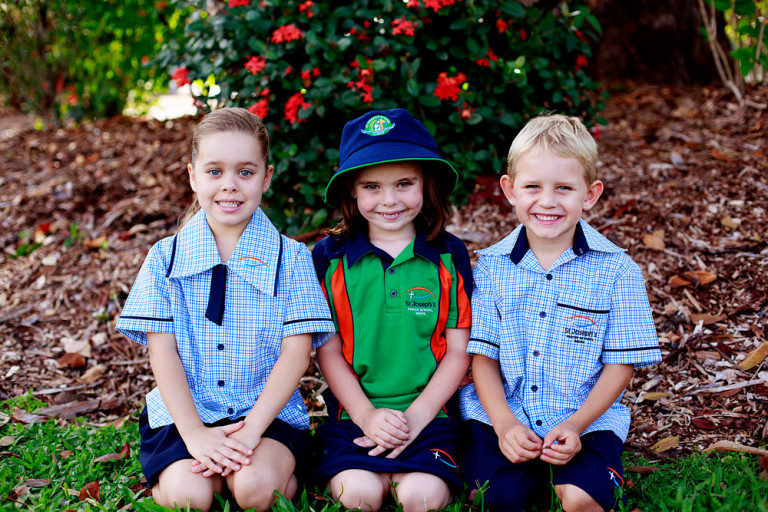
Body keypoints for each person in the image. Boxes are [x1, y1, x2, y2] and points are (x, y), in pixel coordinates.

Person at [116, 107, 334, 512]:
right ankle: (204, 471)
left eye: (245, 172)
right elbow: (162, 351)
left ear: (266, 177)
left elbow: (296, 353)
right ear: (192, 175)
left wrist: (251, 432)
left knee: (253, 489)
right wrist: (196, 435)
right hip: (187, 414)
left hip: (266, 416)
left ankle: (251, 471)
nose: (229, 186)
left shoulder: (292, 258)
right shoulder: (165, 257)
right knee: (189, 496)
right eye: (214, 171)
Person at [459, 113, 662, 512]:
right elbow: (482, 357)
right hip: (507, 411)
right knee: (496, 500)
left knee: (582, 500)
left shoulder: (618, 270)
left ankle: (579, 474)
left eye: (564, 188)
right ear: (510, 189)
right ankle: (517, 472)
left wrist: (576, 425)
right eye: (532, 186)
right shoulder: (493, 266)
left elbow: (620, 365)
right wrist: (503, 424)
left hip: (582, 417)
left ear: (590, 194)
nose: (547, 201)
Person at [312, 108, 472, 512]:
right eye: (372, 186)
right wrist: (367, 416)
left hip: (431, 416)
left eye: (404, 183)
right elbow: (327, 350)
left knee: (422, 496)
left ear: (426, 183)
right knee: (358, 495)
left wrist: (416, 417)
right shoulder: (329, 259)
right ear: (351, 188)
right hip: (355, 417)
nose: (389, 200)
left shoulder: (448, 256)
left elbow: (458, 351)